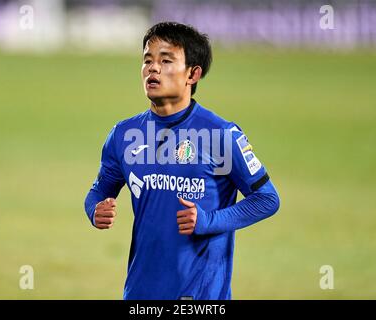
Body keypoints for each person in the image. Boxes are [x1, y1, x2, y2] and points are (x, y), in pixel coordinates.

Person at [84, 22, 280, 300]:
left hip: (200, 296)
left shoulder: (220, 135)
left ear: (193, 73)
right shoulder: (125, 134)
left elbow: (267, 199)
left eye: (166, 60)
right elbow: (99, 191)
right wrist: (95, 209)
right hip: (140, 292)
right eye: (147, 60)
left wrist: (209, 220)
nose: (153, 68)